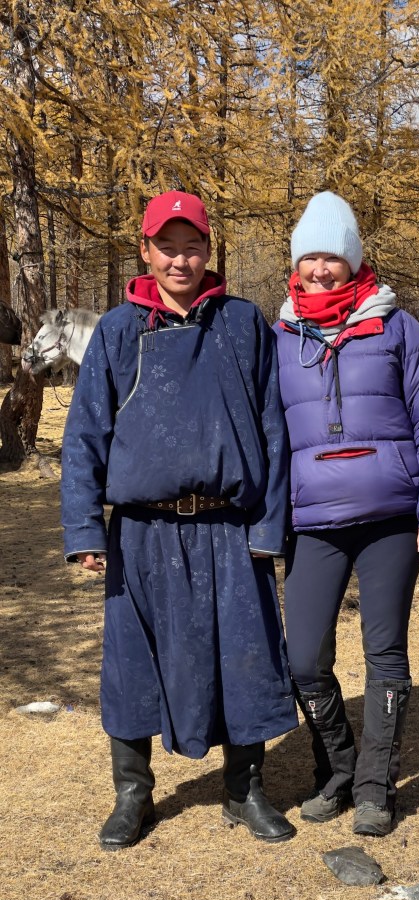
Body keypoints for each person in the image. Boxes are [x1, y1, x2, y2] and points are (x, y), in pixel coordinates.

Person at [61, 190, 298, 849]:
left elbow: (274, 430)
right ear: (146, 251)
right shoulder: (118, 331)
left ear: (208, 250)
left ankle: (245, 791)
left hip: (230, 530)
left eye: (192, 246)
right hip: (142, 532)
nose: (180, 260)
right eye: (167, 247)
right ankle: (132, 794)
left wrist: (269, 527)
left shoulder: (243, 324)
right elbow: (85, 435)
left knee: (245, 657)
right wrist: (84, 528)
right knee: (132, 664)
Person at [274, 192, 419, 837]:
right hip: (312, 520)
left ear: (353, 261)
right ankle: (339, 769)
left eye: (332, 257)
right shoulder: (279, 338)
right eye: (310, 257)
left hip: (391, 516)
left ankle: (377, 786)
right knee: (303, 659)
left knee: (385, 652)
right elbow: (263, 434)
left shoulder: (398, 328)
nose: (321, 269)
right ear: (296, 265)